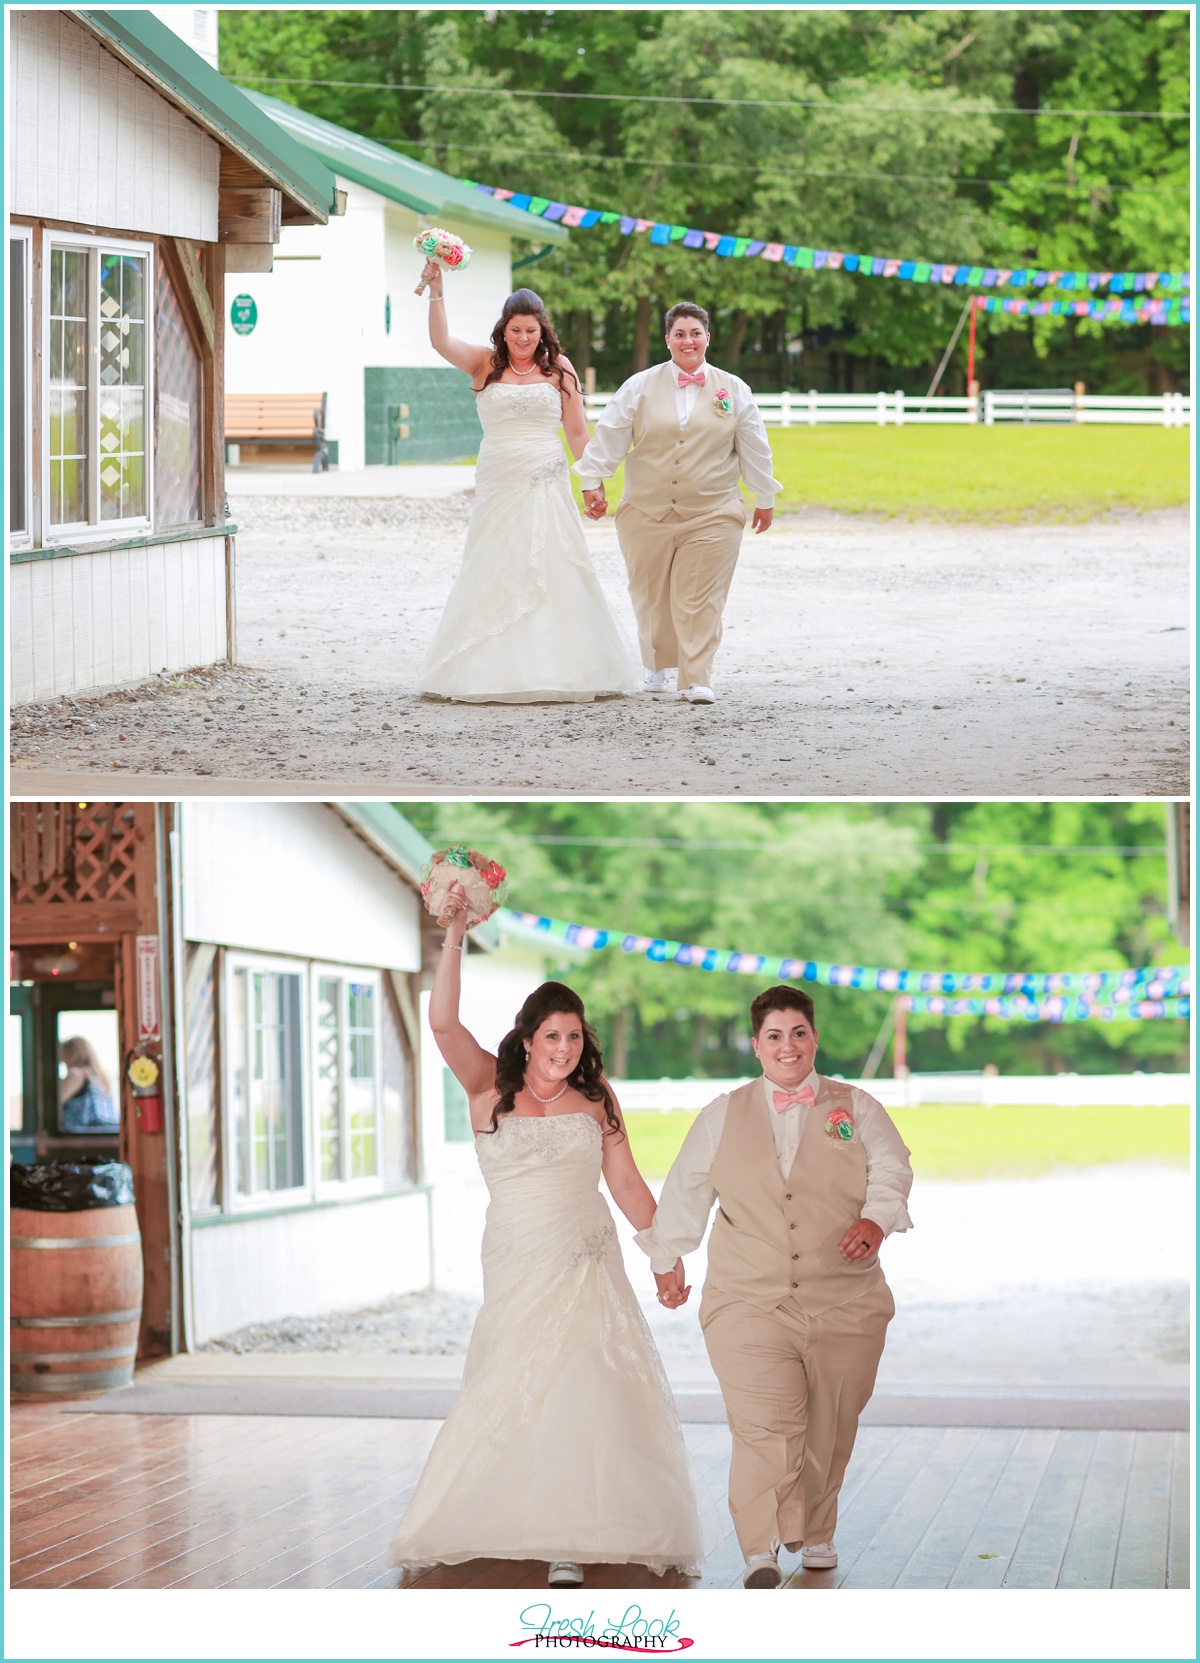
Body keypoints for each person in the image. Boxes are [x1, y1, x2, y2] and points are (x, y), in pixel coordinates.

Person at [388, 889, 715, 1586]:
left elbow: (627, 1184)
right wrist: (453, 929)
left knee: (581, 1383)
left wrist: (664, 1253)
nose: (564, 1048)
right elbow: (442, 1022)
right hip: (514, 1254)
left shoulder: (597, 1099)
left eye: (574, 1036)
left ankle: (574, 1537)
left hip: (584, 1258)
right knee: (510, 1381)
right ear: (528, 1038)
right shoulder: (487, 1085)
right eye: (552, 1036)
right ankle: (505, 1515)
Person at [638, 986, 913, 1588]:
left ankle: (815, 1532)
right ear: (756, 1044)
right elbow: (687, 1187)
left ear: (814, 1039)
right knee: (765, 1425)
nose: (787, 1046)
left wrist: (876, 1219)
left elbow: (893, 1168)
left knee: (830, 1427)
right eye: (773, 1035)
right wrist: (667, 1258)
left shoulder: (857, 1107)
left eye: (798, 1033)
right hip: (746, 1298)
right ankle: (759, 1549)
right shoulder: (722, 1113)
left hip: (847, 1299)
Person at [412, 266, 640, 703]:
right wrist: (436, 292)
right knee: (493, 560)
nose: (522, 339)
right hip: (499, 476)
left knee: (554, 562)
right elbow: (440, 342)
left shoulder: (560, 369)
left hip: (545, 477)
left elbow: (576, 433)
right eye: (515, 330)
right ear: (504, 329)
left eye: (530, 331)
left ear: (542, 330)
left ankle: (563, 667)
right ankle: (482, 667)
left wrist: (591, 482)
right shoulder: (484, 363)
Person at [572, 302, 781, 706]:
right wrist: (592, 481)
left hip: (713, 510)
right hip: (645, 509)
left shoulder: (734, 389)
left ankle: (697, 676)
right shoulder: (638, 386)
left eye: (696, 333)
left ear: (708, 337)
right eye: (680, 334)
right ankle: (656, 665)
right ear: (667, 340)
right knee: (650, 594)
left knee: (698, 596)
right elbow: (611, 433)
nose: (688, 341)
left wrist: (764, 497)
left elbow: (755, 445)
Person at [58, 1036, 119, 1132]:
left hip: (81, 1133)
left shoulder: (76, 1074)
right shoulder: (98, 1076)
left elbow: (55, 1102)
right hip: (105, 1132)